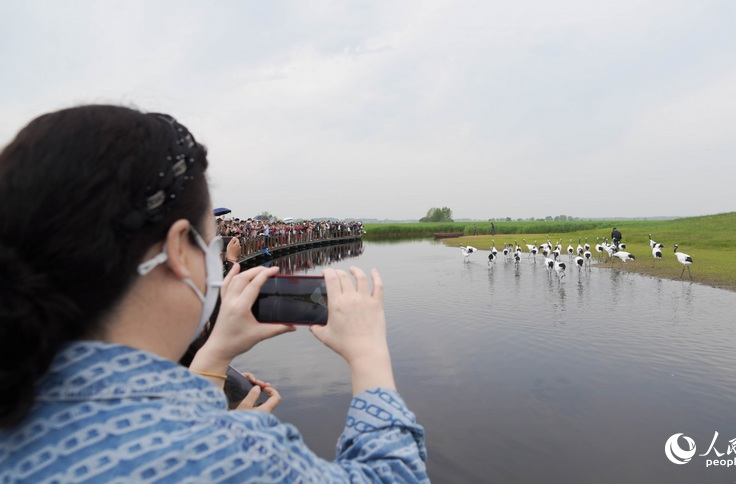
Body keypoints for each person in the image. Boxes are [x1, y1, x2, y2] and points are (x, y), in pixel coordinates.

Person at [0, 105, 427, 482]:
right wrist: (369, 354)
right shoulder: (238, 456)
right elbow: (392, 475)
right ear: (179, 251)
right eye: (212, 242)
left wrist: (213, 358)